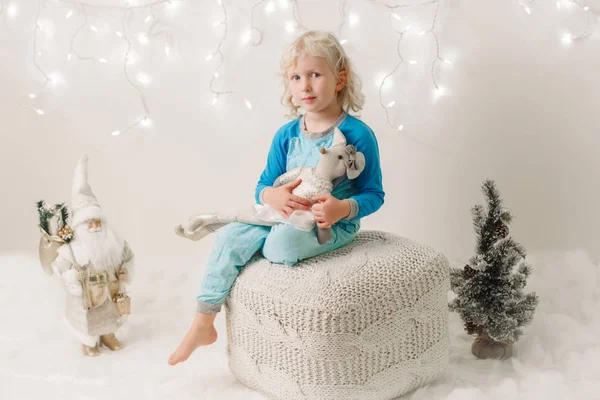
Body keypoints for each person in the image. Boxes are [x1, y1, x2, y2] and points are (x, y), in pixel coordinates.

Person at [168, 30, 385, 365]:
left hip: (328, 225)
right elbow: (263, 186)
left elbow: (374, 194)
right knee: (227, 238)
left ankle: (276, 242)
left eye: (315, 74)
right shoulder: (286, 135)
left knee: (278, 247)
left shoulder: (357, 134)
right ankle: (203, 321)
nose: (305, 86)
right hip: (280, 216)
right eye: (296, 77)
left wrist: (343, 208)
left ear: (340, 78)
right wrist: (273, 196)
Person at [51, 156, 134, 356]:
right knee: (89, 319)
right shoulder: (72, 248)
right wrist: (71, 280)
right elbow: (59, 267)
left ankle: (108, 335)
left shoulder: (115, 242)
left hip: (111, 290)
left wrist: (125, 271)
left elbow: (129, 257)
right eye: (90, 222)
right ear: (81, 226)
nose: (95, 226)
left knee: (109, 315)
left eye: (98, 221)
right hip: (87, 294)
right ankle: (88, 342)